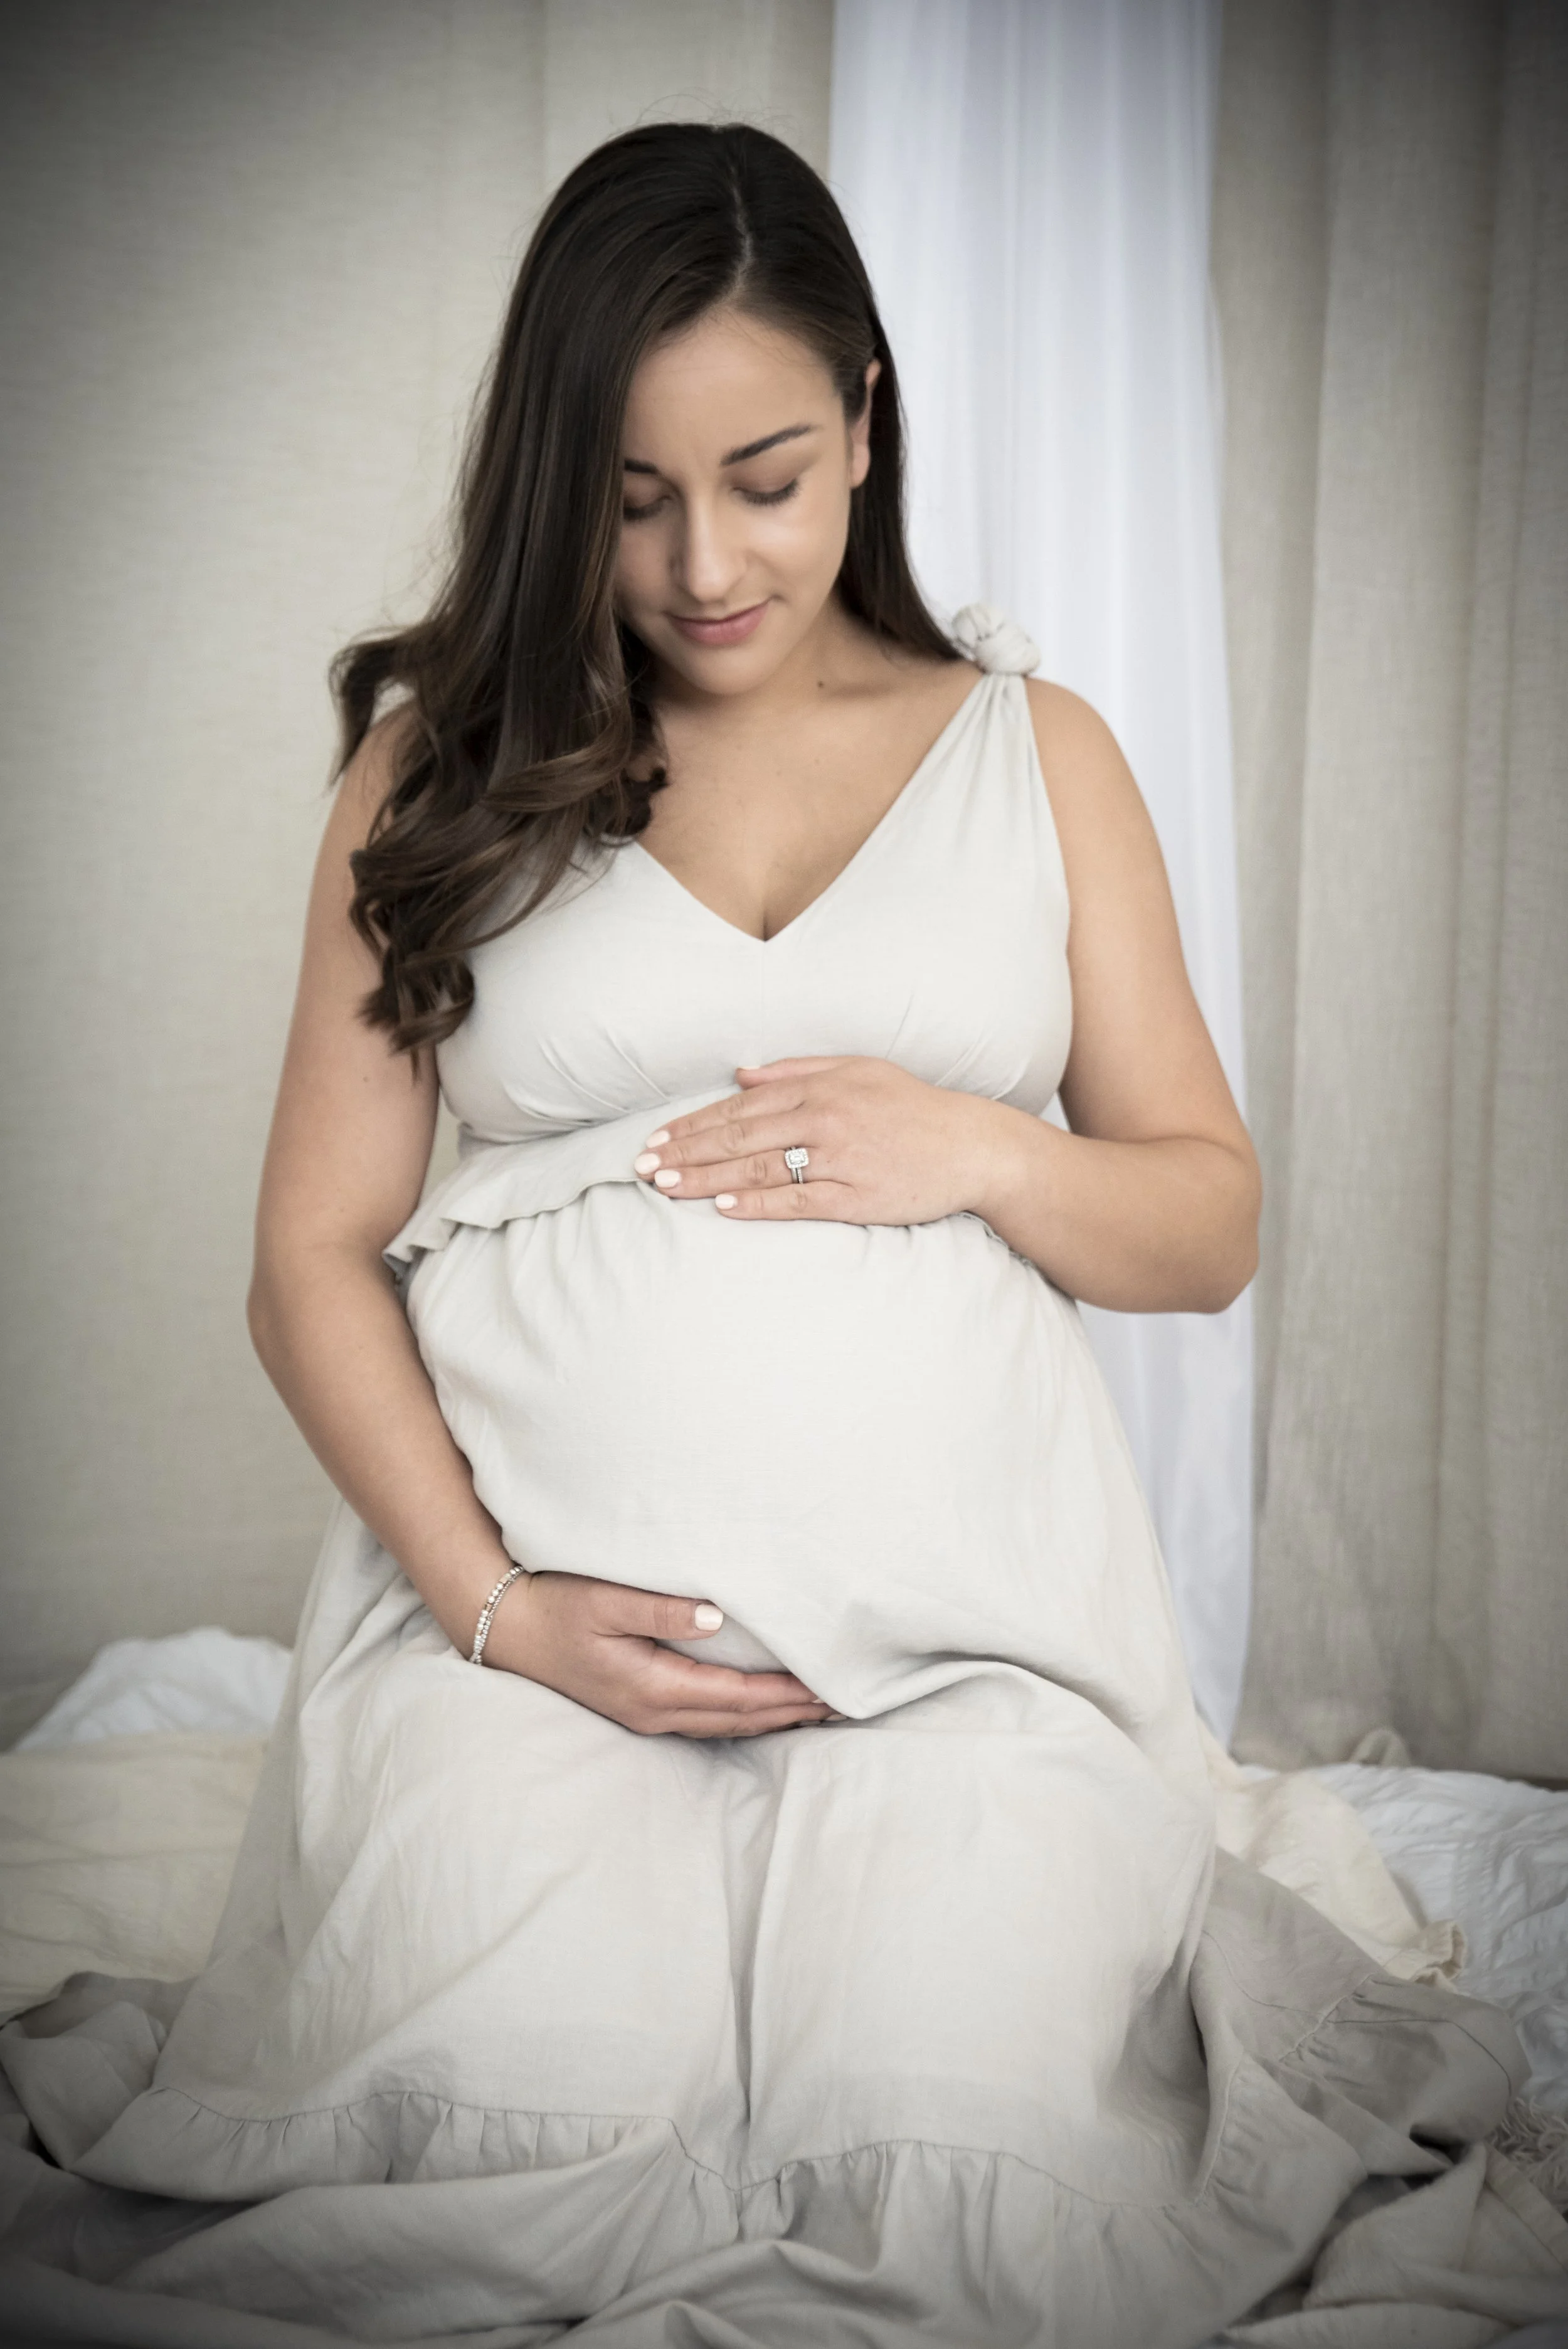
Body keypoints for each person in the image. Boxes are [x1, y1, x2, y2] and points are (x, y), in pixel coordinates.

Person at [3, 120, 1561, 2349]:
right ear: (560, 482)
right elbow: (308, 1260)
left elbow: (1201, 1221)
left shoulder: (1038, 754)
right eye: (631, 499)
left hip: (965, 1655)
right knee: (486, 2161)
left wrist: (979, 1151)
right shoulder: (441, 769)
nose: (705, 560)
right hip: (528, 1650)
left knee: (967, 2183)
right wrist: (502, 1609)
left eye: (765, 473)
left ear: (866, 422)